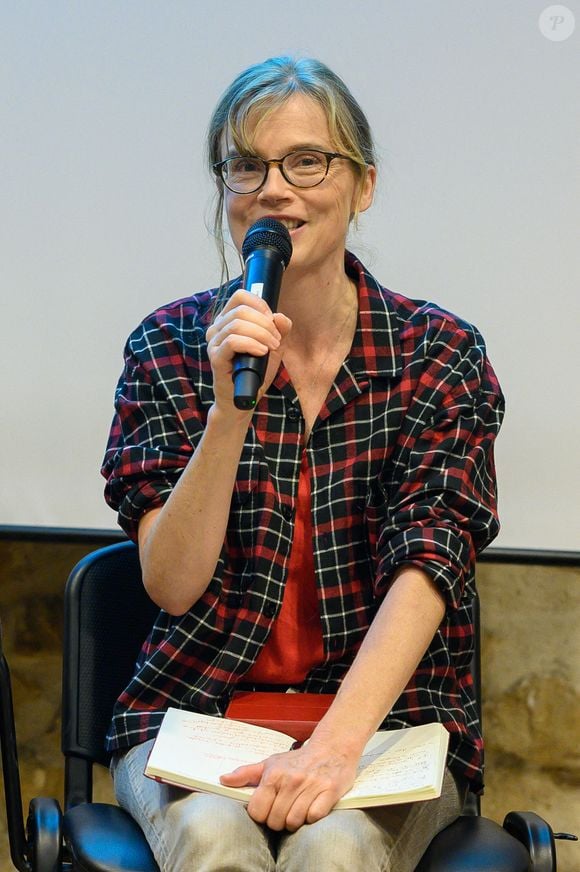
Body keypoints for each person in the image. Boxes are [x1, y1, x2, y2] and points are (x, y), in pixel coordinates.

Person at [101, 55, 504, 872]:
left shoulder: (440, 355)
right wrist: (228, 413)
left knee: (333, 847)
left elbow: (431, 566)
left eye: (306, 162)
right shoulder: (168, 347)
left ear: (363, 184)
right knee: (214, 840)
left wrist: (331, 749)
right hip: (197, 716)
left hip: (386, 729)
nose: (275, 190)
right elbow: (172, 584)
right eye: (246, 166)